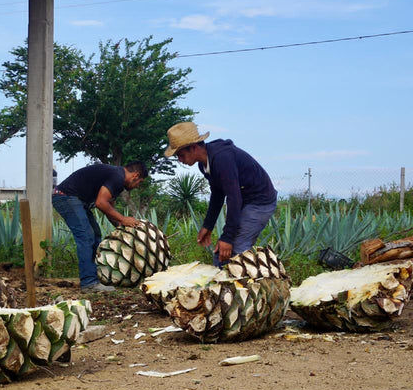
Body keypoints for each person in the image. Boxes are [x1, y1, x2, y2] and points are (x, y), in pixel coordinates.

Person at [164, 122, 277, 266]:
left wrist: (227, 238)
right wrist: (208, 226)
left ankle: (241, 279)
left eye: (181, 155)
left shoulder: (222, 159)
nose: (180, 160)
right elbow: (217, 195)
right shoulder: (204, 165)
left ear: (193, 147)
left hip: (259, 202)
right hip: (244, 200)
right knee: (221, 254)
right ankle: (223, 278)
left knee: (235, 251)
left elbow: (234, 198)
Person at [52, 161, 147, 292]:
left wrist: (120, 226)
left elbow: (109, 208)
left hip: (76, 199)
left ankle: (96, 277)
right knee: (86, 236)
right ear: (135, 175)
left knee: (95, 234)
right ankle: (89, 283)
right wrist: (123, 219)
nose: (137, 186)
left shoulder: (118, 182)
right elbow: (101, 203)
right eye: (140, 182)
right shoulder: (118, 176)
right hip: (65, 196)